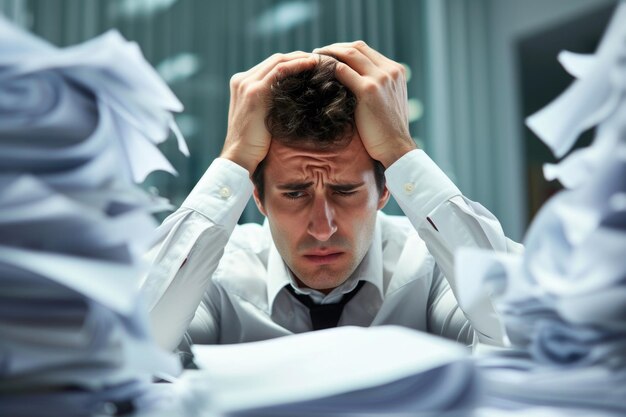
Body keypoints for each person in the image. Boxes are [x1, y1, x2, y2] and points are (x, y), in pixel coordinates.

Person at [141, 41, 521, 356]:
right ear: (256, 195)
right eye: (294, 193)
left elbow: (523, 333)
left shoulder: (430, 266)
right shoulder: (217, 276)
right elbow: (136, 350)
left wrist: (400, 151)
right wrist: (235, 158)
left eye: (344, 190)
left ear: (386, 187)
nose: (323, 228)